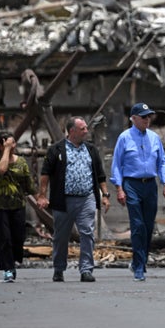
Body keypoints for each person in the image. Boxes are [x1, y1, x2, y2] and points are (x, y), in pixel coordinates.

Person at [36, 116, 111, 283]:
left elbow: (100, 175)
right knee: (61, 236)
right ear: (72, 131)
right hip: (63, 201)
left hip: (86, 199)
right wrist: (42, 195)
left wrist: (105, 195)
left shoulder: (91, 150)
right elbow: (45, 174)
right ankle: (59, 269)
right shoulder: (56, 149)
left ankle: (86, 270)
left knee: (87, 233)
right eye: (83, 128)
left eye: (86, 128)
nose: (86, 131)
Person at [110, 102, 165, 281]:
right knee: (137, 225)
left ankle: (141, 259)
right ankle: (138, 266)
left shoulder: (154, 138)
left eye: (149, 116)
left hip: (150, 185)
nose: (147, 120)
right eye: (144, 117)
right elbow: (117, 164)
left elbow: (162, 161)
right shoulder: (124, 138)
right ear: (134, 118)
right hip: (132, 184)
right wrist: (119, 188)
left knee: (148, 226)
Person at [0, 131, 36, 283]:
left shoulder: (21, 162)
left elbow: (28, 184)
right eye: (9, 143)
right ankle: (8, 269)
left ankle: (12, 263)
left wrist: (39, 197)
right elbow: (1, 170)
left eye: (13, 143)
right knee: (4, 238)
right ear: (0, 146)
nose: (13, 145)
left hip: (17, 205)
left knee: (18, 238)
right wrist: (6, 151)